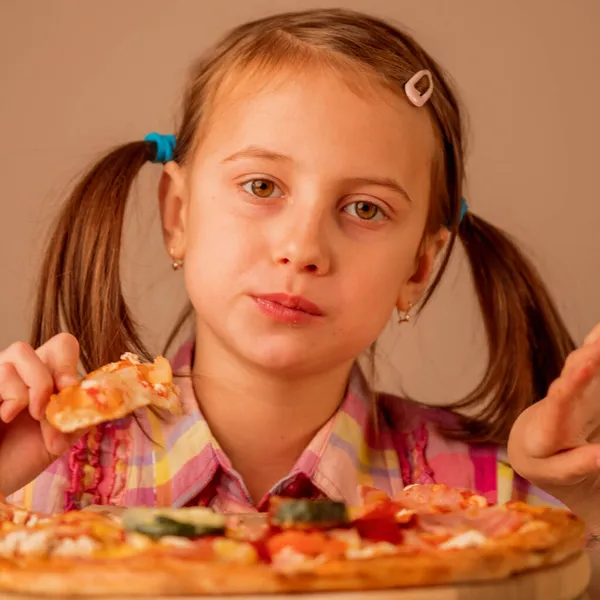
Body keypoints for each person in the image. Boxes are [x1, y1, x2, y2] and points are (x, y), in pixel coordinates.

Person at [0, 6, 598, 557]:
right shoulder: (35, 476)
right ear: (178, 215)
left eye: (365, 209)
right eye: (262, 186)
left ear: (418, 267)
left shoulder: (506, 501)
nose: (303, 249)